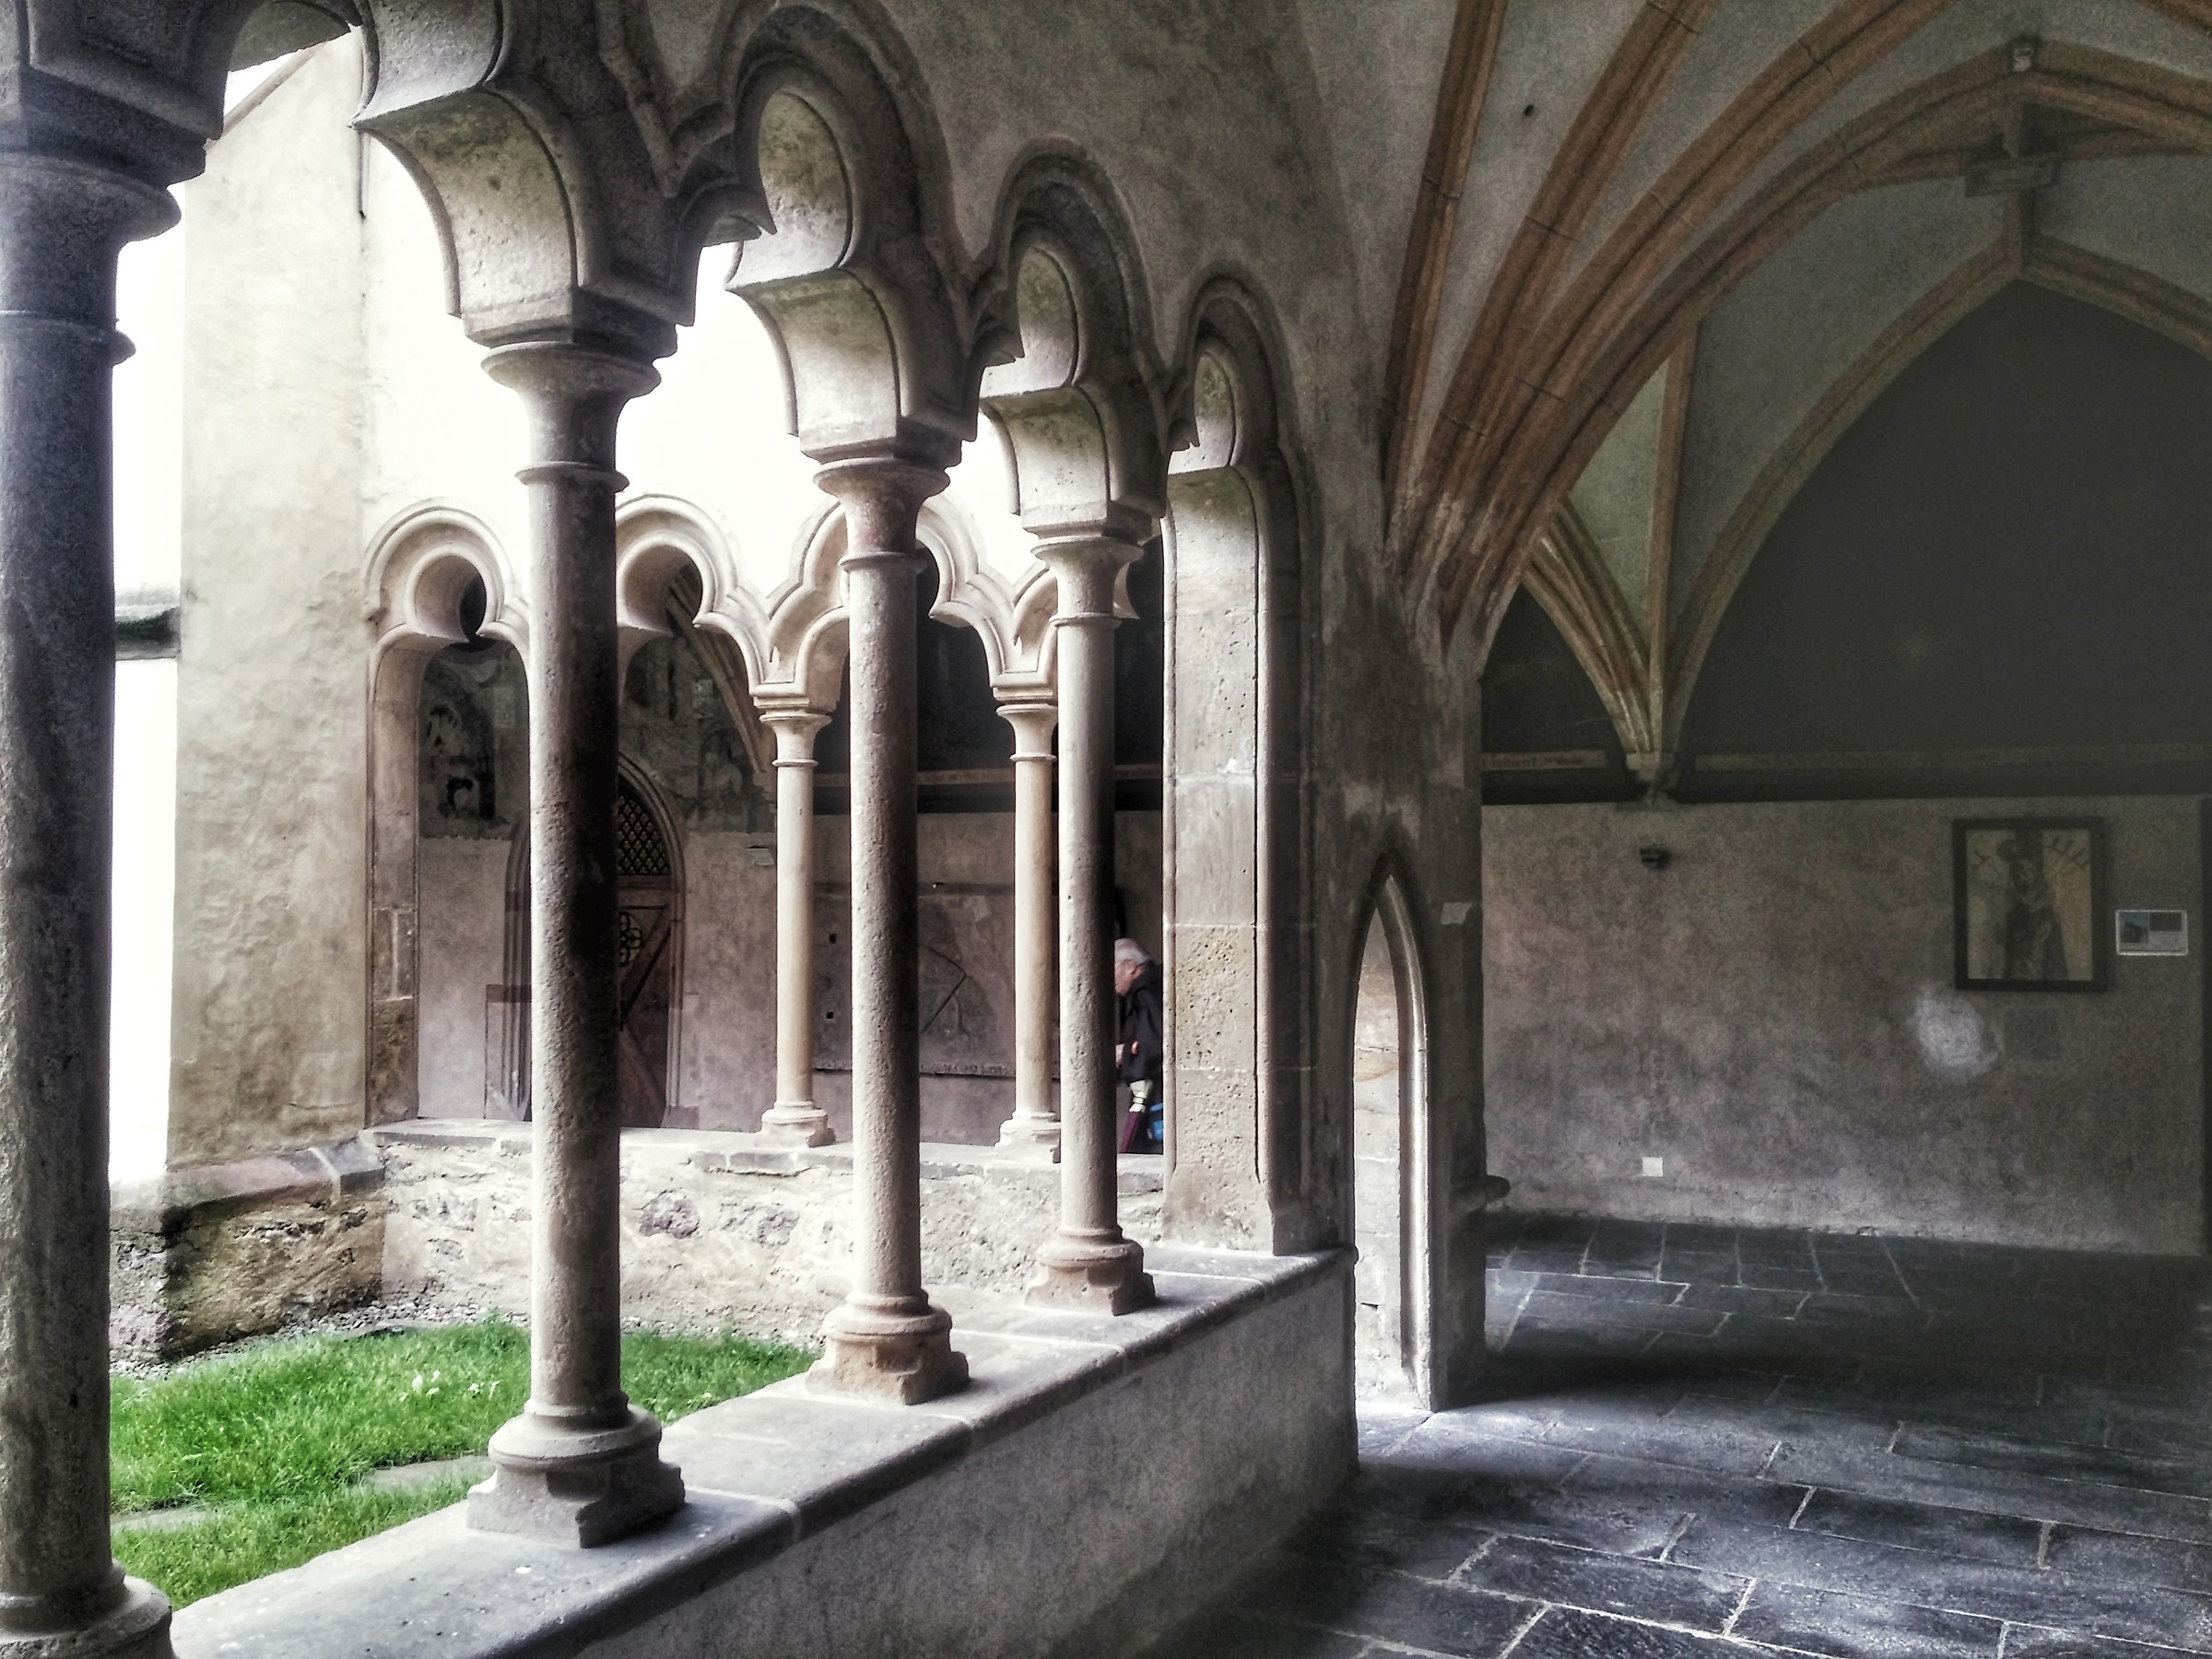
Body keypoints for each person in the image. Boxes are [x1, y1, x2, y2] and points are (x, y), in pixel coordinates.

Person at [1113, 937, 1164, 1153]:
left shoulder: (1146, 992)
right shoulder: (1151, 986)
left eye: (1112, 969)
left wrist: (1124, 1053)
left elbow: (1155, 1044)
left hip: (1157, 1096)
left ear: (1131, 967)